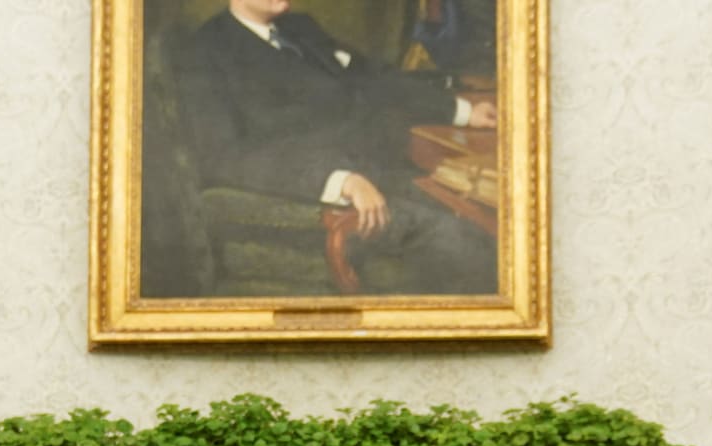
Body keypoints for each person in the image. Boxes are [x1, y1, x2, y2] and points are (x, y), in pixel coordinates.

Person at [171, 0, 499, 295]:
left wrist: (461, 110)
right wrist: (339, 180)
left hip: (385, 171)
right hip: (316, 201)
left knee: (488, 217)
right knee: (464, 244)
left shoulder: (301, 29)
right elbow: (225, 157)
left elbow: (371, 78)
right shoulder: (203, 53)